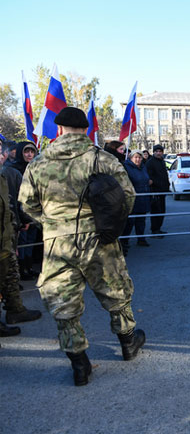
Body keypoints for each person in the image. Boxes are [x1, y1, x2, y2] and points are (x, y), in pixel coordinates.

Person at [19, 107, 145, 386]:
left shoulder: (37, 164)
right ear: (86, 130)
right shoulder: (102, 159)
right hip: (98, 238)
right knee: (115, 290)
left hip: (57, 243)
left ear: (59, 129)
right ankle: (127, 343)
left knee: (63, 302)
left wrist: (53, 224)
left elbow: (27, 204)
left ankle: (79, 364)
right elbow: (127, 197)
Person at [0, 140, 42, 330]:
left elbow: (8, 207)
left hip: (6, 236)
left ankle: (15, 310)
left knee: (10, 275)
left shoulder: (4, 176)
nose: (2, 155)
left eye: (2, 152)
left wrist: (16, 224)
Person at [121, 150, 152, 253]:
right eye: (136, 157)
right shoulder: (126, 167)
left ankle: (141, 239)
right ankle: (124, 241)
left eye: (139, 157)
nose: (138, 159)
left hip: (143, 196)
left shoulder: (143, 167)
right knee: (130, 221)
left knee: (141, 220)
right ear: (131, 158)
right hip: (133, 197)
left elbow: (145, 178)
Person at [145, 144, 170, 237]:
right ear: (154, 152)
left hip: (162, 190)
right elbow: (149, 177)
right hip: (155, 191)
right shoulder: (150, 162)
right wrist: (155, 184)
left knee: (162, 211)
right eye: (157, 151)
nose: (159, 153)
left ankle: (158, 229)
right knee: (156, 211)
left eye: (160, 151)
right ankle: (155, 230)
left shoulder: (162, 161)